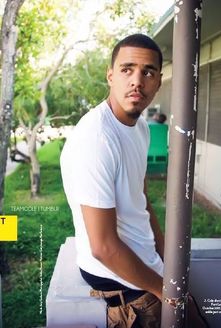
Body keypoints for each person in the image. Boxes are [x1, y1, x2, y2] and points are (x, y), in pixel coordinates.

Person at [60, 34, 208, 328]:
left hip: (146, 261)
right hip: (123, 281)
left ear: (158, 81)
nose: (137, 81)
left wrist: (165, 255)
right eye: (127, 69)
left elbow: (140, 197)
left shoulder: (139, 126)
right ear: (111, 75)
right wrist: (168, 293)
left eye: (148, 72)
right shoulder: (96, 138)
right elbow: (103, 247)